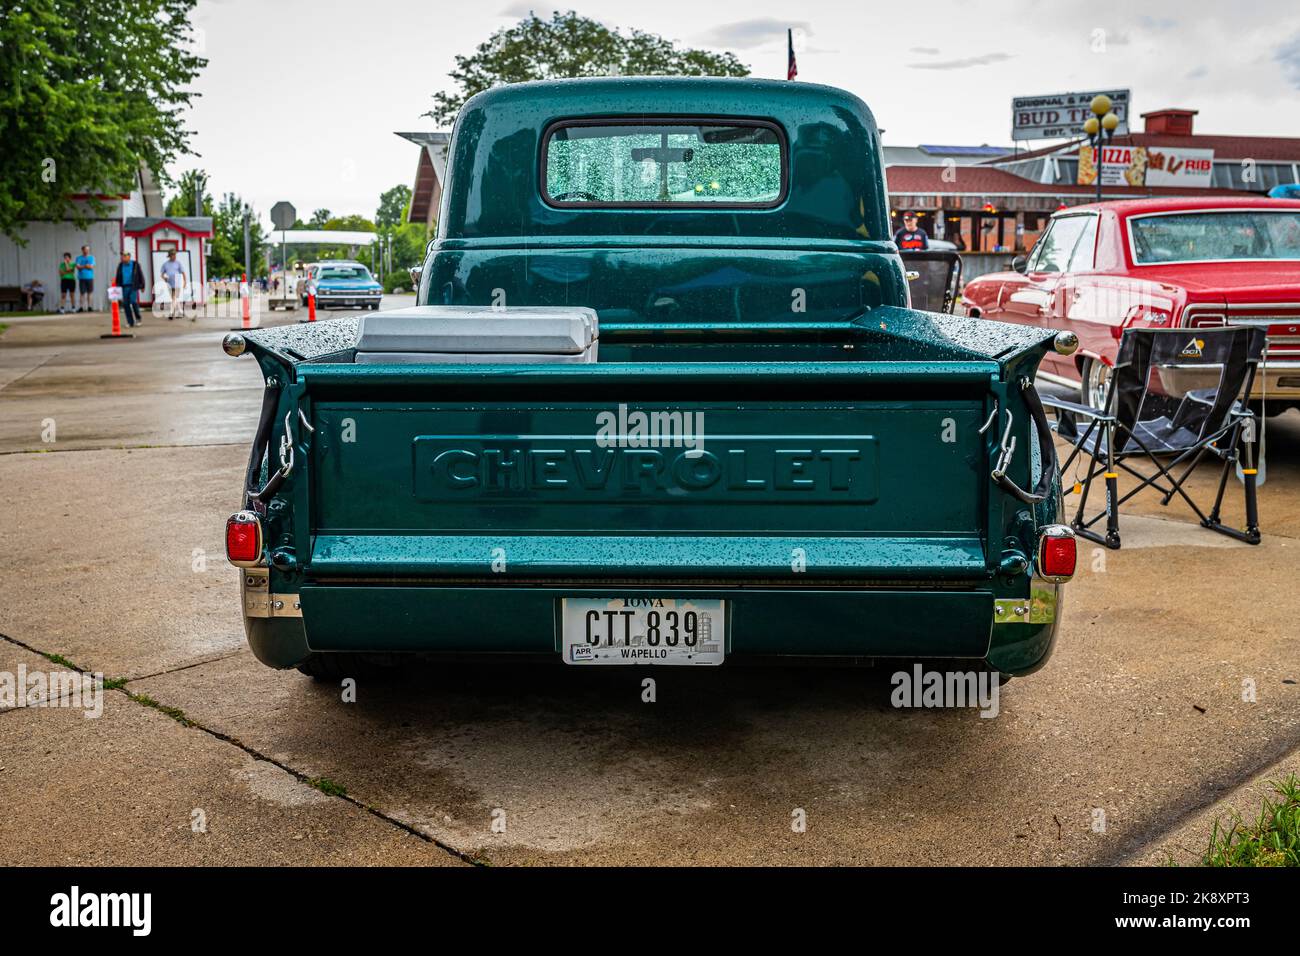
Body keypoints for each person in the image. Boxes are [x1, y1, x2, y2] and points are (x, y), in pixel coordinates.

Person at [114, 250, 146, 328]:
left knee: (133, 301)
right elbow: (118, 276)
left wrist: (142, 286)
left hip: (133, 286)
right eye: (122, 256)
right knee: (126, 304)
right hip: (124, 287)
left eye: (125, 256)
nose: (123, 257)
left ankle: (138, 319)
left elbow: (140, 275)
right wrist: (117, 286)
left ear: (129, 257)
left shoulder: (135, 264)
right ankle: (130, 322)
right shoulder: (120, 265)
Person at [159, 249, 188, 320]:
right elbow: (162, 274)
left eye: (175, 255)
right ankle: (181, 311)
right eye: (173, 255)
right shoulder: (165, 264)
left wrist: (185, 282)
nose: (174, 256)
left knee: (174, 297)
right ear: (170, 256)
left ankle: (171, 313)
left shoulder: (178, 263)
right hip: (169, 282)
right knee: (174, 298)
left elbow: (183, 273)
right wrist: (164, 278)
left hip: (177, 281)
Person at [74, 245, 95, 311]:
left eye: (88, 249)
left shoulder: (91, 258)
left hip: (90, 277)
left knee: (90, 292)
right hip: (82, 278)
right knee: (82, 293)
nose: (87, 251)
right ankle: (81, 307)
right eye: (86, 249)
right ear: (82, 250)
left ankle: (89, 307)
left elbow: (91, 267)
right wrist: (85, 266)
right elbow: (78, 267)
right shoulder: (78, 258)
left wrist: (82, 266)